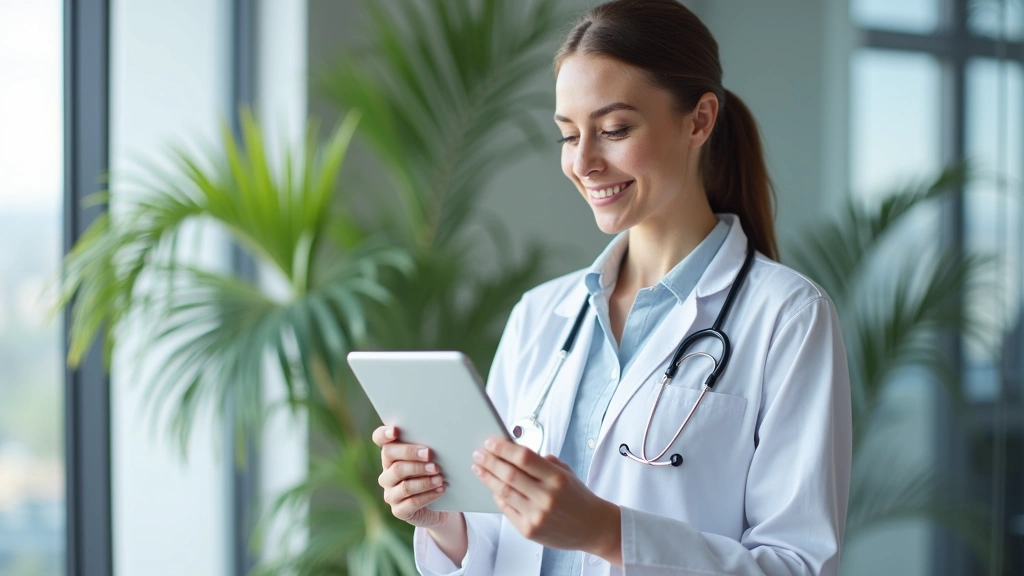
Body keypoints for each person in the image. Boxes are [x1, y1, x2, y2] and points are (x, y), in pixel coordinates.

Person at [371, 0, 852, 574]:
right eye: (568, 135)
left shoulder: (788, 319)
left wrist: (607, 533)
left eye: (614, 130)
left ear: (699, 120)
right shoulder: (540, 315)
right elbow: (499, 541)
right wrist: (443, 520)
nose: (584, 162)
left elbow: (797, 564)